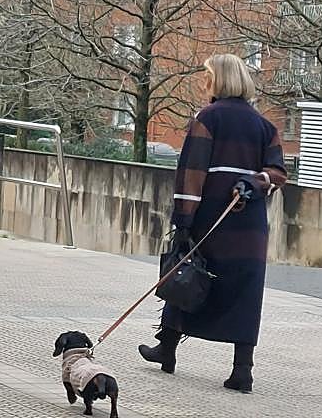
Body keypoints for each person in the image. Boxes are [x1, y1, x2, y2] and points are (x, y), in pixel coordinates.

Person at [138, 53, 288, 393]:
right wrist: (257, 180)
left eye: (206, 76)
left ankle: (167, 349)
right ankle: (242, 371)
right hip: (250, 227)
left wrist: (184, 222)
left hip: (210, 220)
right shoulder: (266, 126)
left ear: (218, 80)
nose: (203, 82)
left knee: (184, 274)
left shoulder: (207, 119)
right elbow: (278, 173)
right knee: (245, 292)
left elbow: (191, 175)